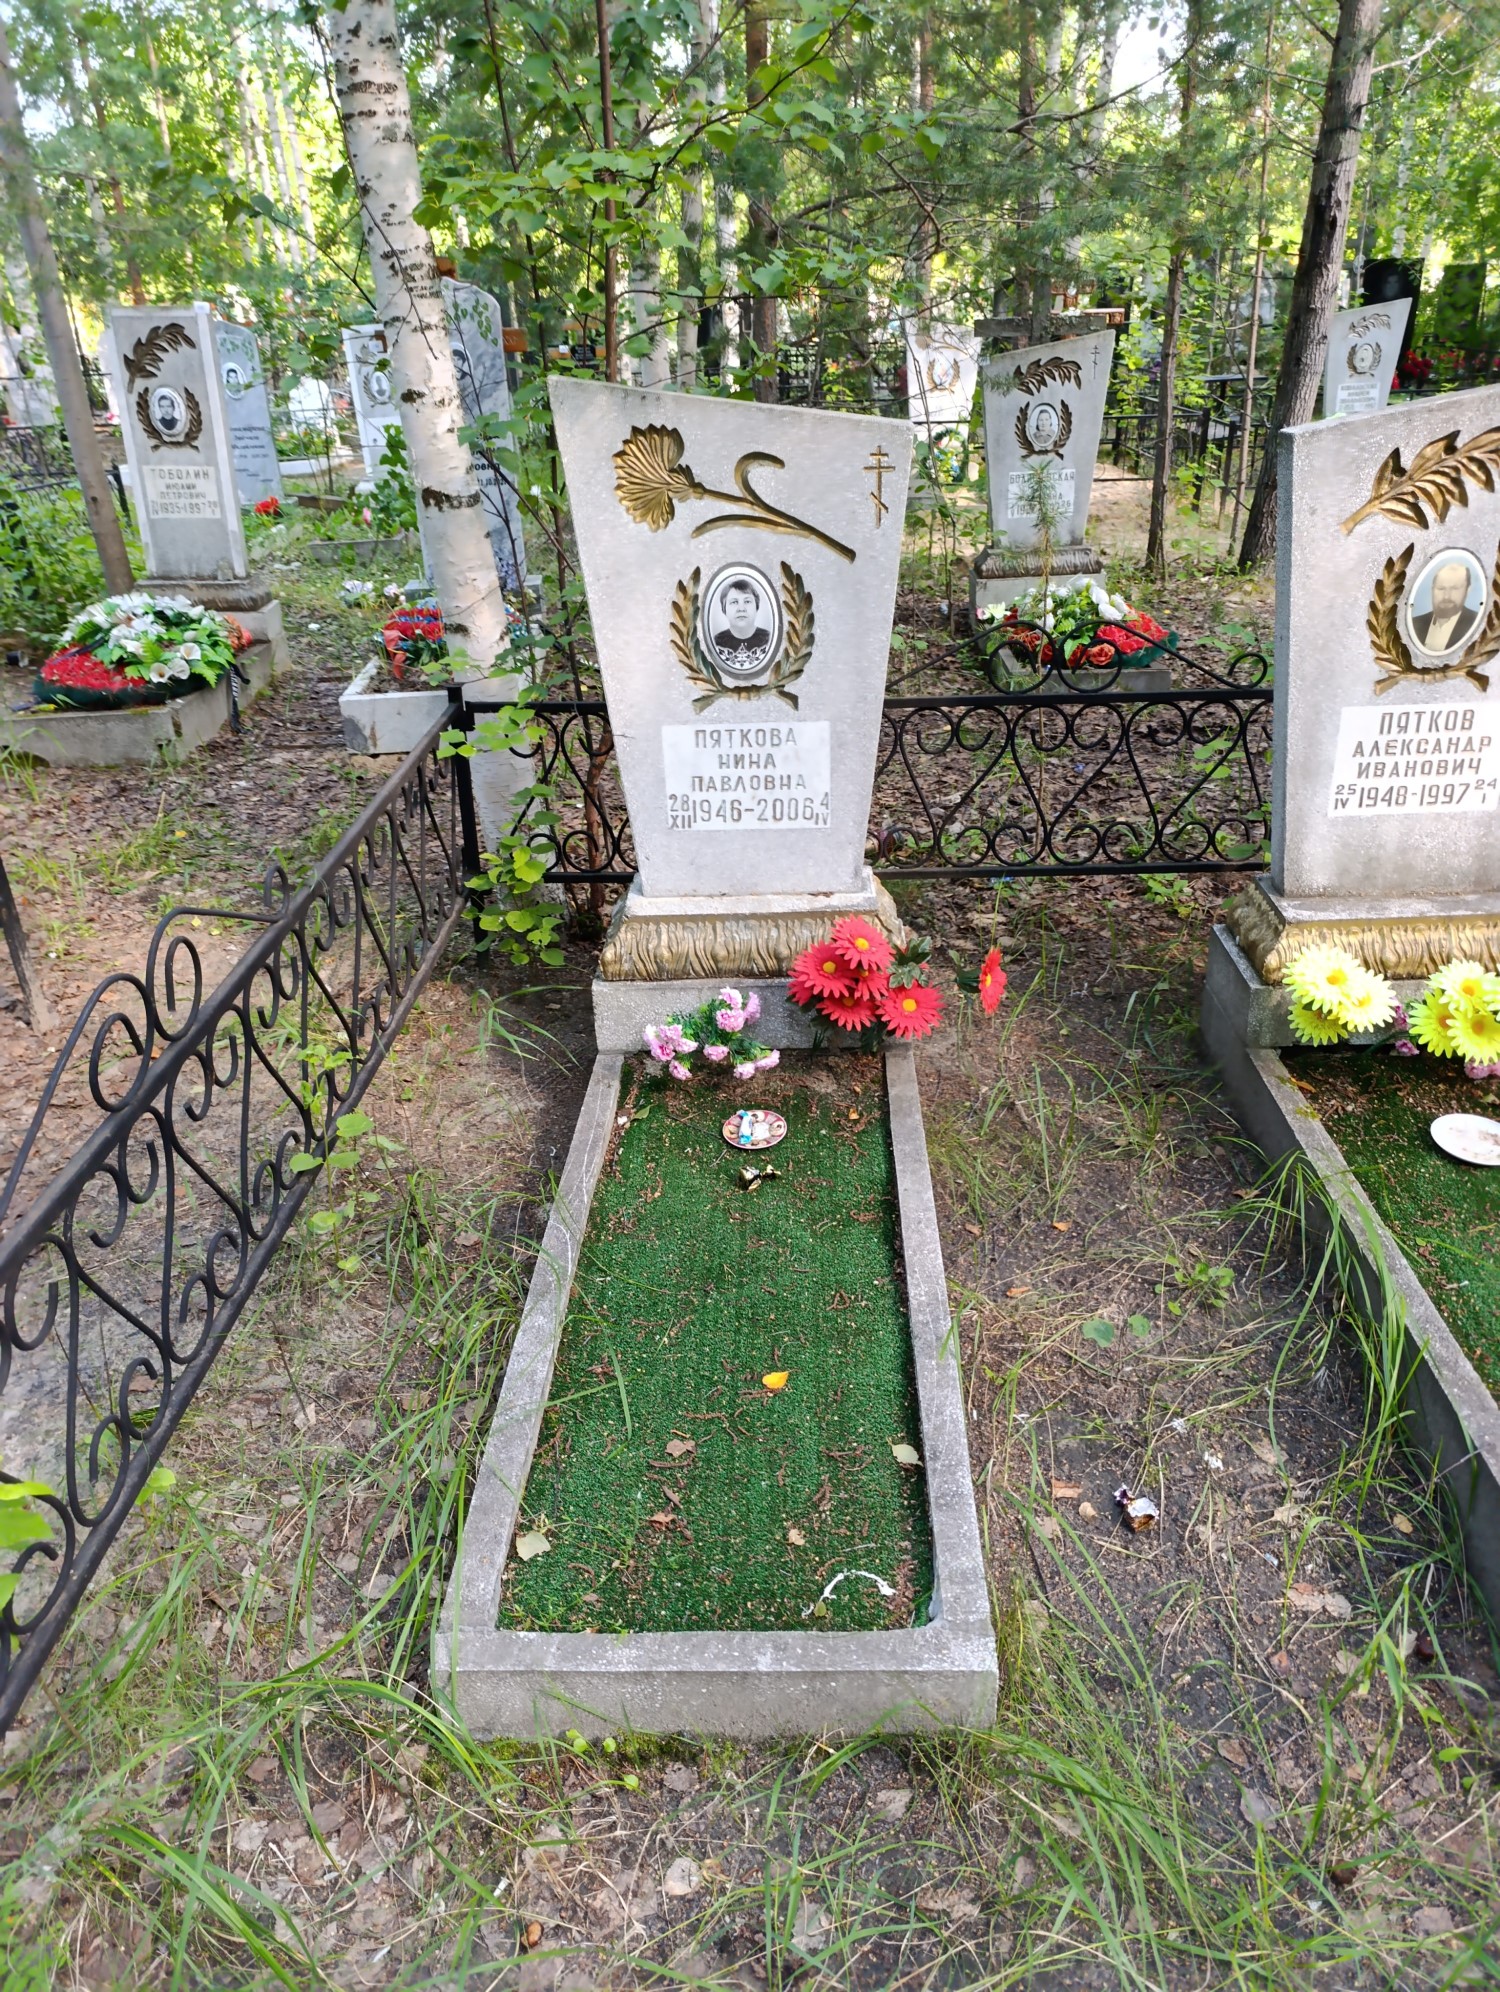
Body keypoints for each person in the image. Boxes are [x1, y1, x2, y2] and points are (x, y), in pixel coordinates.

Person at [1412, 559, 1480, 654]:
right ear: (1432, 590)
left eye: (1455, 588)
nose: (1446, 596)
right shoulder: (1414, 624)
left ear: (1467, 590)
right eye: (1441, 588)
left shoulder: (1478, 624)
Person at [712, 576, 773, 671]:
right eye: (734, 602)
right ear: (724, 609)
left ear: (756, 606)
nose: (741, 608)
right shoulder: (716, 642)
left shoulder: (769, 639)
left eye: (747, 601)